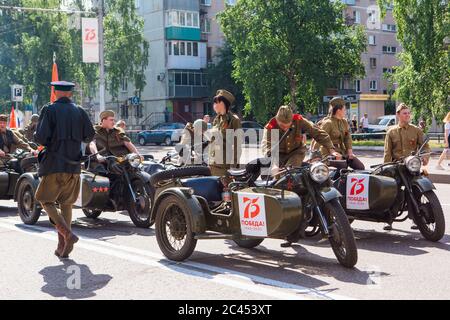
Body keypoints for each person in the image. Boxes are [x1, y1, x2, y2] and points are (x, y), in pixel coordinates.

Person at [34, 81, 95, 258]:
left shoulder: (49, 109)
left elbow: (41, 138)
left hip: (54, 164)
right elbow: (90, 135)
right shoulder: (79, 110)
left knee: (44, 200)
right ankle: (63, 246)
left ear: (55, 92)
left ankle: (67, 235)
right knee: (66, 203)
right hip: (74, 166)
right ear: (70, 94)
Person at [383, 103, 431, 231]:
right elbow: (387, 152)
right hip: (396, 166)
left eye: (409, 113)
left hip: (412, 165)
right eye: (405, 113)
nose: (408, 115)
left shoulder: (416, 130)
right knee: (393, 190)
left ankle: (417, 219)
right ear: (398, 115)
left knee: (417, 190)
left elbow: (425, 146)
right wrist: (385, 168)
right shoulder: (391, 131)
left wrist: (425, 157)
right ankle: (389, 219)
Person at [262, 105, 342, 176]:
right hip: (278, 155)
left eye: (288, 126)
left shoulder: (299, 120)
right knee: (276, 176)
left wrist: (331, 149)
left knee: (289, 174)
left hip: (296, 152)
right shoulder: (271, 127)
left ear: (292, 120)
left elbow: (317, 132)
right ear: (277, 120)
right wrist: (274, 165)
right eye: (282, 126)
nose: (285, 128)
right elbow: (269, 148)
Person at [319, 97, 365, 170]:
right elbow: (322, 139)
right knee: (343, 167)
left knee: (360, 167)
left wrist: (350, 152)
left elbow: (347, 138)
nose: (345, 111)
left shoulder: (344, 122)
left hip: (342, 152)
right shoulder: (328, 123)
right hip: (328, 154)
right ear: (338, 111)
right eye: (344, 109)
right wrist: (332, 152)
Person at [208, 89, 242, 177]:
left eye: (217, 103)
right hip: (212, 164)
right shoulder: (217, 119)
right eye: (214, 103)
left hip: (224, 167)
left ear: (224, 104)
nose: (214, 105)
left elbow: (237, 145)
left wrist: (233, 167)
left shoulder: (233, 120)